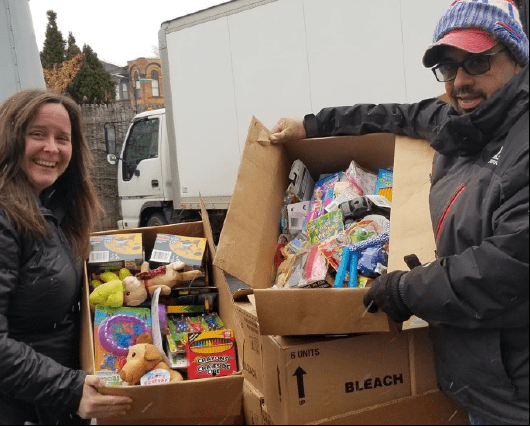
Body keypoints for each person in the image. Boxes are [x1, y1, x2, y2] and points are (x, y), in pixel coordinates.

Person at [270, 0, 528, 425]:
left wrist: (404, 291)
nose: (460, 81)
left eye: (477, 63)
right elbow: (395, 115)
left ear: (517, 59)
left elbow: (507, 270)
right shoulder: (460, 118)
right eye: (449, 67)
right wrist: (313, 126)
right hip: (479, 376)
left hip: (516, 394)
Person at [0, 89, 133, 425]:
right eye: (37, 134)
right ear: (10, 138)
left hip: (52, 406)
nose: (52, 148)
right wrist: (69, 390)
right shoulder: (5, 217)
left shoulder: (51, 208)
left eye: (63, 138)